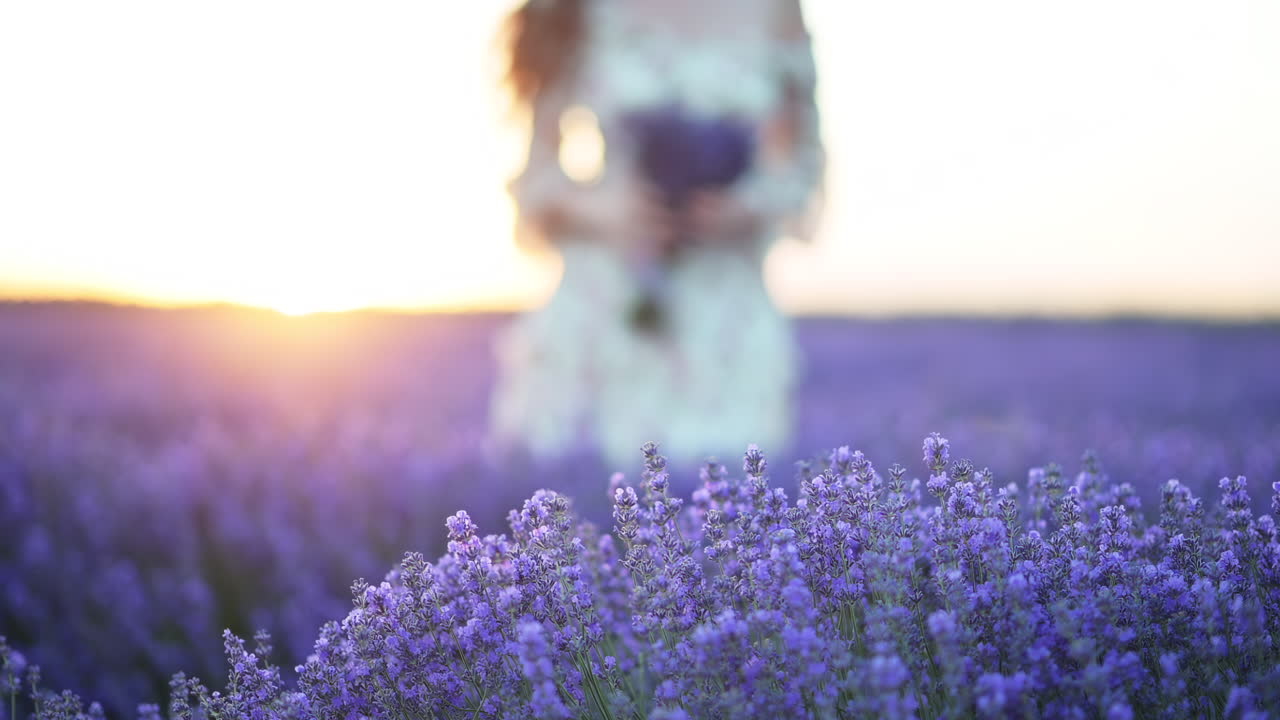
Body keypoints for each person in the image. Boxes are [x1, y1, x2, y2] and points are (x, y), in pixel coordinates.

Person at [488, 0, 825, 470]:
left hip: (725, 312)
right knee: (571, 506)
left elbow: (804, 167)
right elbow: (535, 180)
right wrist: (606, 209)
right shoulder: (581, 9)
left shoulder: (776, 9)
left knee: (732, 509)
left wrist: (745, 208)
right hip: (605, 305)